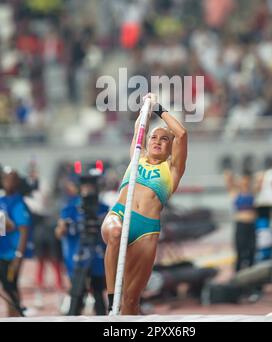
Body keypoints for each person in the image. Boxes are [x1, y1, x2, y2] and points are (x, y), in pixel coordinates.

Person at [101, 93, 188, 315]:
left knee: (131, 301)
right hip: (120, 214)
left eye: (164, 139)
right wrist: (144, 110)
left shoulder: (172, 170)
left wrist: (158, 108)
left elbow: (182, 133)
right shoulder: (135, 157)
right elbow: (140, 126)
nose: (157, 141)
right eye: (153, 138)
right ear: (146, 142)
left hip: (146, 231)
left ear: (170, 149)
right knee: (115, 233)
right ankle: (111, 301)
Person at [56, 171, 109, 315]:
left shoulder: (104, 208)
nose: (88, 190)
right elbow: (59, 233)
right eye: (85, 186)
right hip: (77, 258)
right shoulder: (70, 208)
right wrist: (63, 227)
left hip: (97, 257)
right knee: (77, 295)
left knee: (98, 294)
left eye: (91, 186)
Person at [0, 168, 31, 317]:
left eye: (12, 178)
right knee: (6, 288)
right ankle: (11, 315)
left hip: (12, 254)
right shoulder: (1, 200)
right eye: (6, 178)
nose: (8, 182)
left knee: (11, 287)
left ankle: (16, 316)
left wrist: (19, 255)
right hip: (2, 251)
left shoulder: (18, 202)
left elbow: (23, 230)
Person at [224, 170, 256, 272]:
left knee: (251, 250)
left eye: (247, 181)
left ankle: (251, 274)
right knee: (240, 251)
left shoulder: (252, 192)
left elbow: (261, 179)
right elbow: (227, 177)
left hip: (251, 224)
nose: (246, 183)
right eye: (244, 181)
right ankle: (237, 274)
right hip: (241, 224)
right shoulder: (236, 192)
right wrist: (235, 180)